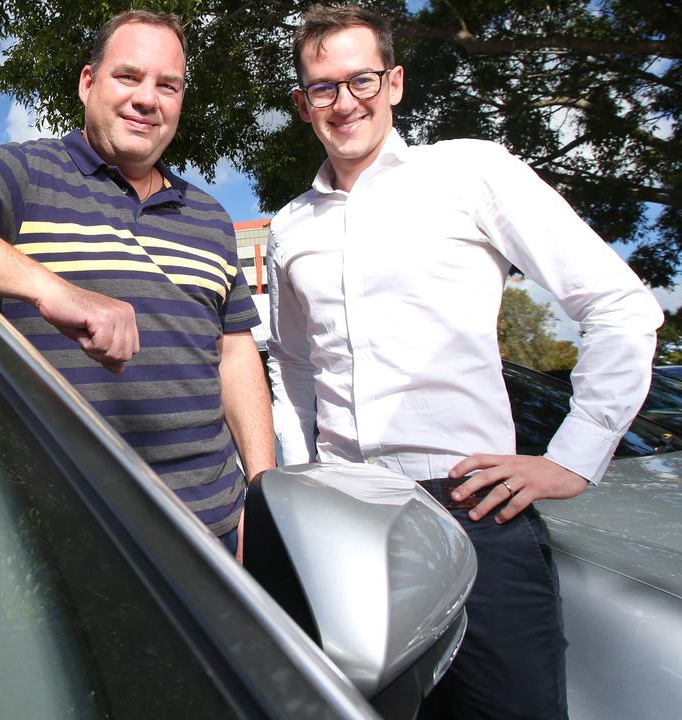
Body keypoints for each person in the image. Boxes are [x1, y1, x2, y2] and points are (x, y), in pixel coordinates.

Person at [267, 5, 662, 718]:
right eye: (322, 88)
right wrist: (298, 479)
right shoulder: (290, 227)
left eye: (361, 79)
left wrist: (574, 457)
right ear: (303, 105)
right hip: (346, 521)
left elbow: (620, 306)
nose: (344, 101)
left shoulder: (469, 171)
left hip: (472, 509)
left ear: (394, 83)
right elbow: (294, 369)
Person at [0, 9, 275, 554]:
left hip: (215, 526)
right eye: (129, 76)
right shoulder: (29, 175)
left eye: (167, 85)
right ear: (87, 82)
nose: (147, 98)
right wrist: (51, 288)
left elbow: (236, 353)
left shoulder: (210, 216)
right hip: (73, 533)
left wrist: (260, 494)